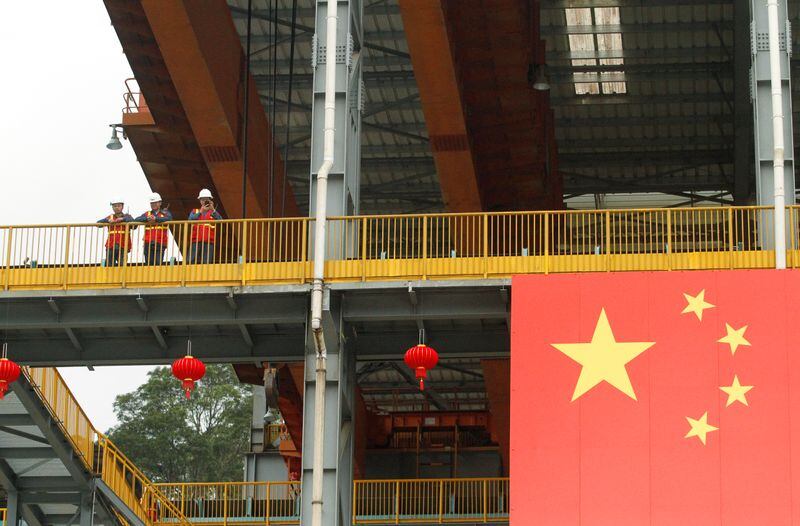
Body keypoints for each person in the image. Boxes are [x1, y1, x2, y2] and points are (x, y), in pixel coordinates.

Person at [134, 193, 173, 265]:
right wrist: (146, 219)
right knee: (148, 263)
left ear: (160, 203)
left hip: (160, 241)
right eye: (152, 203)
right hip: (148, 242)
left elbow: (169, 218)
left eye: (155, 202)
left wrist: (156, 219)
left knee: (158, 263)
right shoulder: (147, 214)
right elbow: (136, 219)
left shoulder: (165, 213)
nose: (153, 204)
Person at [188, 189, 222, 264]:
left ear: (210, 201)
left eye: (206, 200)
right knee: (190, 261)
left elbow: (220, 220)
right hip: (195, 240)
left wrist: (213, 209)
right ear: (200, 201)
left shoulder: (213, 213)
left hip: (209, 241)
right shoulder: (195, 211)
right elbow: (190, 220)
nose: (204, 201)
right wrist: (200, 212)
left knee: (206, 262)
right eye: (203, 200)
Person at [97, 199, 133, 266]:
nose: (117, 207)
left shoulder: (127, 216)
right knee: (109, 265)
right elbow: (98, 224)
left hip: (123, 244)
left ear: (122, 206)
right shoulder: (110, 217)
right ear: (112, 207)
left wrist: (123, 219)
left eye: (118, 206)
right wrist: (107, 220)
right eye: (115, 206)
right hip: (111, 244)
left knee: (122, 265)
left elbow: (134, 225)